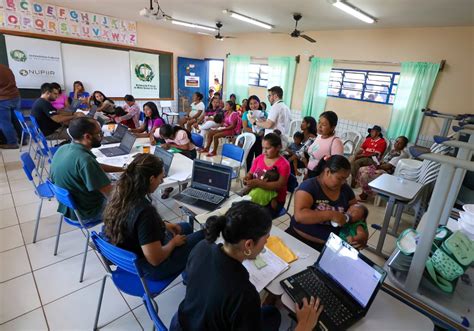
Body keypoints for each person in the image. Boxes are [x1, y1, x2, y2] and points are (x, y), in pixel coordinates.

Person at [170, 201, 323, 331]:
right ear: (248, 244)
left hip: (182, 322)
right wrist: (303, 325)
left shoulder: (202, 247)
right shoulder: (243, 294)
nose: (266, 244)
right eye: (266, 239)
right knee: (272, 315)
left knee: (267, 313)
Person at [103, 153, 204, 280]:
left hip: (131, 251)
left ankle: (186, 270)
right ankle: (190, 276)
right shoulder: (145, 211)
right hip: (149, 268)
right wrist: (173, 243)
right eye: (161, 178)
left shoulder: (120, 193)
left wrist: (163, 225)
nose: (161, 182)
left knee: (186, 227)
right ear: (151, 179)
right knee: (203, 236)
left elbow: (134, 223)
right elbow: (155, 260)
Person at [50, 117, 124, 221]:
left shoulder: (63, 148)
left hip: (70, 208)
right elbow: (111, 194)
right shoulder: (85, 160)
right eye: (99, 133)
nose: (101, 136)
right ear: (87, 136)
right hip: (88, 213)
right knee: (132, 203)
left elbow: (95, 166)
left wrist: (122, 169)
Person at [286, 155, 366, 252]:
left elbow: (357, 210)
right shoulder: (309, 187)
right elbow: (300, 216)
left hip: (332, 245)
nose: (343, 182)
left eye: (345, 179)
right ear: (327, 172)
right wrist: (330, 214)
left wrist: (362, 233)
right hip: (301, 240)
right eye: (340, 178)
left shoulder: (345, 190)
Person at [244, 133, 290, 218]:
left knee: (255, 219)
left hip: (273, 200)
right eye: (263, 148)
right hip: (256, 194)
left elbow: (280, 185)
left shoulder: (284, 165)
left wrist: (258, 183)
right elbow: (250, 173)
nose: (264, 151)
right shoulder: (259, 158)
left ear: (278, 147)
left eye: (268, 148)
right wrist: (247, 178)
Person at [357, 136, 409, 201]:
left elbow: (388, 166)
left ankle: (366, 194)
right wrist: (378, 162)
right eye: (396, 141)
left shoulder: (401, 155)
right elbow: (384, 160)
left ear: (404, 145)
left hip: (388, 173)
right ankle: (364, 191)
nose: (397, 144)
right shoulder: (393, 151)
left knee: (365, 175)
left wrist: (377, 166)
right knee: (361, 169)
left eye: (400, 143)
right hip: (381, 168)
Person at [306, 111, 344, 178]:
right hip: (310, 172)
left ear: (332, 127)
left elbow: (336, 165)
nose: (319, 126)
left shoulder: (336, 142)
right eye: (319, 122)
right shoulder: (318, 137)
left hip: (321, 176)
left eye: (323, 124)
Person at [242, 95, 267, 172]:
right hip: (250, 138)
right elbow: (245, 127)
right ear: (248, 105)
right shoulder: (246, 114)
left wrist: (262, 133)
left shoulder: (264, 114)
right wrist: (256, 132)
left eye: (255, 103)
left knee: (259, 157)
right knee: (249, 158)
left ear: (259, 103)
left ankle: (257, 174)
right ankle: (248, 174)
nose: (253, 105)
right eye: (251, 103)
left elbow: (267, 126)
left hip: (260, 139)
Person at [0, 64, 21, 149]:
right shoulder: (5, 68)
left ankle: (12, 143)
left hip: (3, 98)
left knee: (5, 122)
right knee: (16, 120)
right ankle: (23, 139)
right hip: (15, 96)